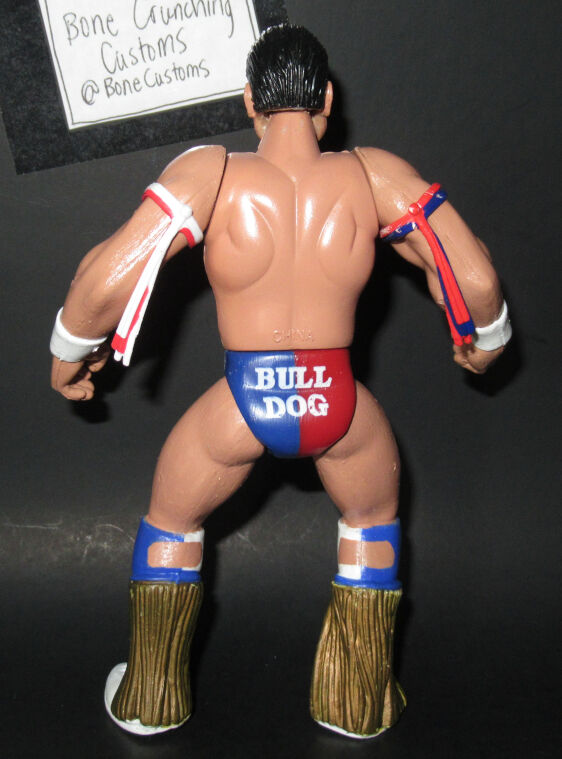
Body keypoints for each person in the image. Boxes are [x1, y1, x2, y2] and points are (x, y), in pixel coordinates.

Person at [50, 25, 511, 739]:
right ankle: (356, 699)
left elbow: (108, 274)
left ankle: (152, 695)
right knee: (372, 526)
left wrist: (69, 350)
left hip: (244, 402)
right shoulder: (372, 175)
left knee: (172, 522)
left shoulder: (213, 175)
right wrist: (485, 340)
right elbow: (473, 273)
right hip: (341, 405)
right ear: (325, 98)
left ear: (249, 101)